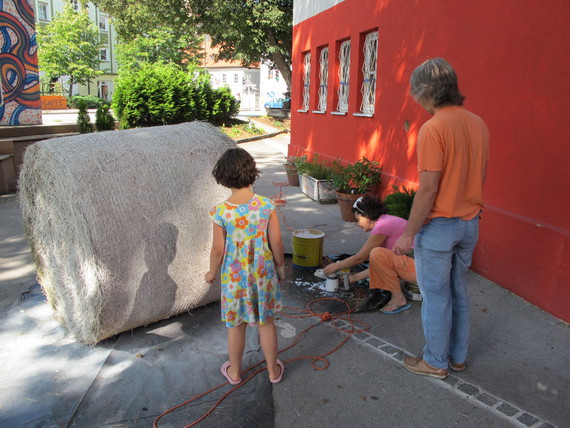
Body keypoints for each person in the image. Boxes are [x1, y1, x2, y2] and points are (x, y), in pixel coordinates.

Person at [393, 58, 489, 380]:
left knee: (436, 297)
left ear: (425, 91)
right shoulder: (478, 123)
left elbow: (428, 189)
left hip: (440, 227)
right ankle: (458, 357)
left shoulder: (433, 128)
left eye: (414, 92)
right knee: (459, 290)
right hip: (470, 222)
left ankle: (435, 361)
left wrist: (408, 233)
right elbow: (481, 176)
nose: (413, 99)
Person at [205, 147, 286, 385]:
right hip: (263, 274)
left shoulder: (220, 212)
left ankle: (235, 373)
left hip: (234, 277)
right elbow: (277, 242)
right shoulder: (266, 206)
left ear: (223, 176)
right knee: (267, 322)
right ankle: (273, 372)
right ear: (252, 172)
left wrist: (211, 272)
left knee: (236, 325)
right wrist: (280, 268)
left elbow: (218, 249)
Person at [323, 195, 416, 313]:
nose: (358, 224)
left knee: (376, 253)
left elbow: (360, 258)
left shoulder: (382, 226)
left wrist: (336, 266)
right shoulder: (387, 220)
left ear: (366, 216)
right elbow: (382, 263)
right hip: (418, 265)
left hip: (420, 270)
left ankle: (399, 299)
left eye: (358, 219)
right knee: (378, 255)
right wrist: (355, 278)